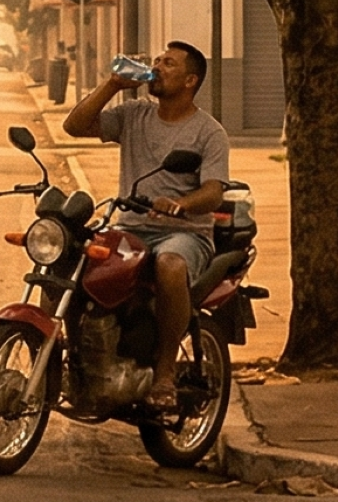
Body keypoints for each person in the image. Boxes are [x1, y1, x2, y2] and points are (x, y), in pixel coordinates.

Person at [62, 41, 231, 409]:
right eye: (157, 60)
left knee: (169, 266)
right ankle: (76, 357)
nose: (157, 66)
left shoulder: (208, 132)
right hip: (131, 228)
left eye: (168, 63)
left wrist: (181, 205)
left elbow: (214, 192)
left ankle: (165, 372)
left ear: (190, 80)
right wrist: (111, 86)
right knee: (76, 260)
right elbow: (74, 126)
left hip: (184, 233)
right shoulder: (134, 114)